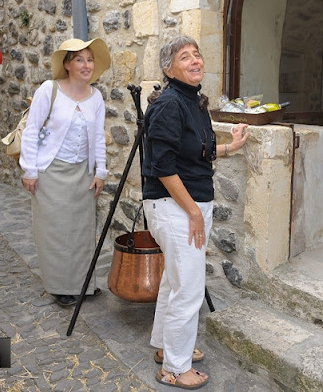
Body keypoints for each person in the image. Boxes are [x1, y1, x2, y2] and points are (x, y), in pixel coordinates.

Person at [142, 35, 249, 389]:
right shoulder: (169, 104)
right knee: (188, 289)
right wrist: (192, 211)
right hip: (175, 206)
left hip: (186, 205)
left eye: (197, 55)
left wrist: (230, 146)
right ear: (168, 69)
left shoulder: (194, 101)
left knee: (175, 282)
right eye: (184, 57)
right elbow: (162, 166)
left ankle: (164, 347)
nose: (195, 60)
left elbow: (197, 149)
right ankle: (174, 366)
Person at [20, 38, 111, 307]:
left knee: (82, 232)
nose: (86, 65)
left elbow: (98, 136)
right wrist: (30, 171)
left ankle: (84, 284)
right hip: (51, 172)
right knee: (56, 232)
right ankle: (61, 287)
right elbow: (31, 130)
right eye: (80, 59)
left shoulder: (95, 97)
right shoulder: (49, 90)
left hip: (83, 172)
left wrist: (101, 171)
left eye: (90, 59)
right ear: (67, 64)